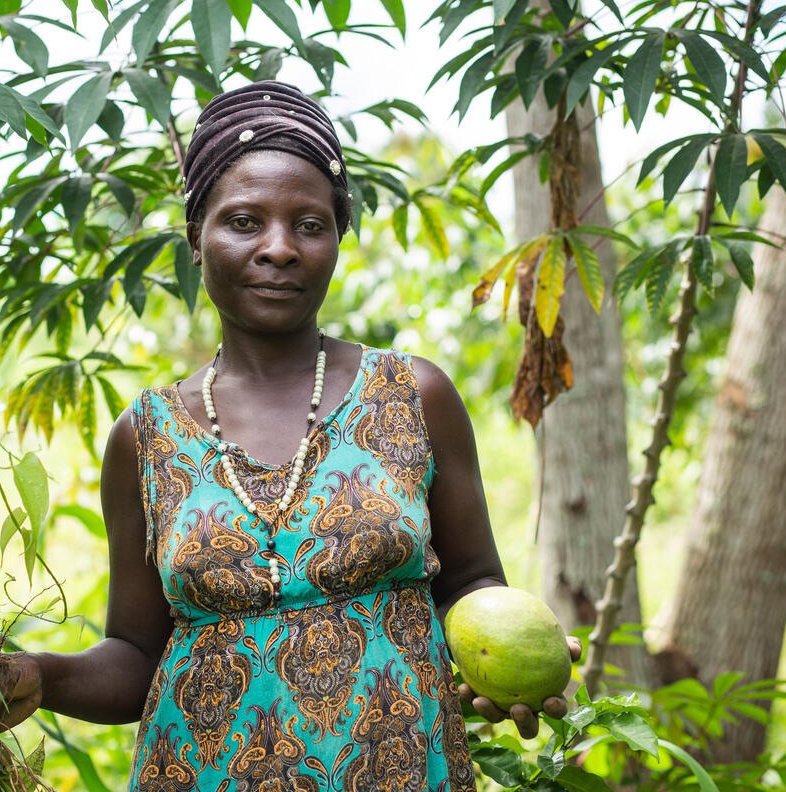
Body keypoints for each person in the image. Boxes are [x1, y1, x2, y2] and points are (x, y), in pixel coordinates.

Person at [0, 81, 580, 790]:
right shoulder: (144, 436)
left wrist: (503, 662)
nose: (279, 248)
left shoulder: (413, 395)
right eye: (244, 222)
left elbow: (472, 582)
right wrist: (37, 674)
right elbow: (135, 653)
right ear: (196, 238)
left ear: (336, 241)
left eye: (309, 225)